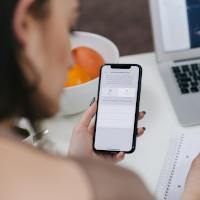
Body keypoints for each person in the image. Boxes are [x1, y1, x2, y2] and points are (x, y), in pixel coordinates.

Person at [0, 0, 198, 199]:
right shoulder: (113, 189)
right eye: (70, 29)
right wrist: (192, 192)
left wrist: (78, 162)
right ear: (25, 23)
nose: (71, 62)